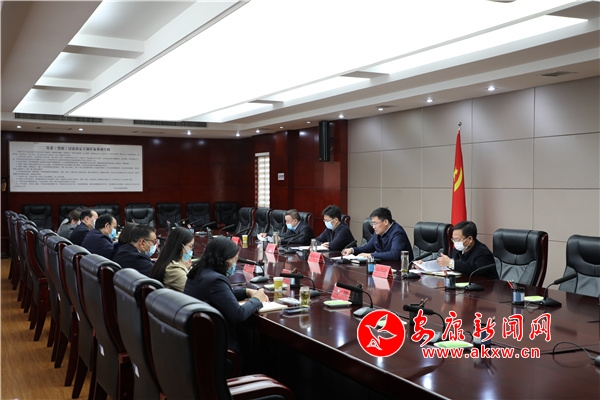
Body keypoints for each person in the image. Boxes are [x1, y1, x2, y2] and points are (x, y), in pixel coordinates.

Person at [184, 237, 268, 354]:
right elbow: (239, 314)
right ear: (226, 260)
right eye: (235, 260)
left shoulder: (200, 272)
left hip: (199, 341)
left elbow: (221, 297)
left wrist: (246, 292)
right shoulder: (216, 280)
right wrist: (256, 299)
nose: (235, 264)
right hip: (218, 347)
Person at [342, 207, 413, 261]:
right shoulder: (378, 232)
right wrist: (352, 250)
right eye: (372, 223)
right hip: (384, 268)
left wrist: (371, 255)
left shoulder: (397, 233)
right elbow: (367, 248)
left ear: (385, 222)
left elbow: (394, 254)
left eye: (375, 223)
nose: (373, 227)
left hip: (400, 270)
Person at [150, 227, 195, 292]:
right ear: (180, 247)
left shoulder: (165, 261)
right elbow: (194, 291)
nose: (191, 250)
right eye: (190, 246)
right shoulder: (173, 269)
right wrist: (185, 268)